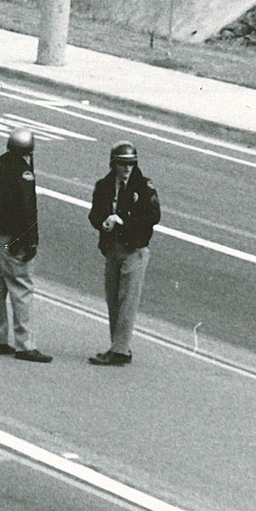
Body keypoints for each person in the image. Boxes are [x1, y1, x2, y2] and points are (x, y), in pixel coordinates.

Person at [0, 130, 50, 361]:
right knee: (21, 286)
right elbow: (28, 210)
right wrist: (30, 241)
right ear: (29, 152)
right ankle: (25, 345)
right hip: (13, 240)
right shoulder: (24, 174)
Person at [85, 141, 161, 366]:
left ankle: (118, 350)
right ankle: (119, 347)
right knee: (113, 300)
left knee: (127, 301)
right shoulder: (104, 186)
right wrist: (103, 223)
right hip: (112, 248)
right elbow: (94, 214)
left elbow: (153, 216)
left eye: (131, 164)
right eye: (122, 164)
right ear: (114, 164)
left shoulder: (143, 187)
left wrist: (124, 222)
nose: (127, 168)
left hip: (134, 249)